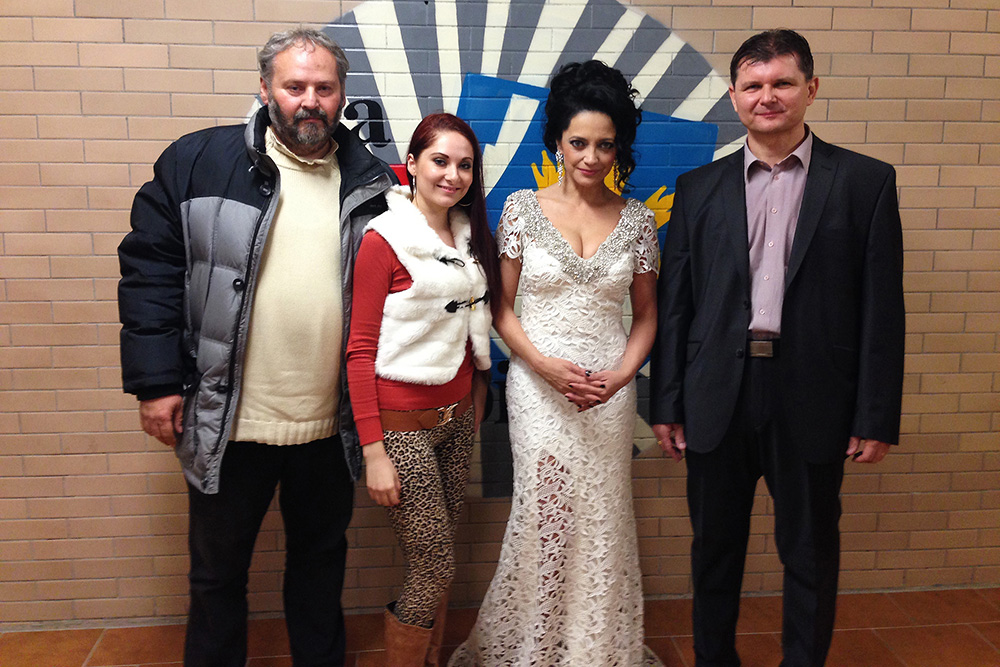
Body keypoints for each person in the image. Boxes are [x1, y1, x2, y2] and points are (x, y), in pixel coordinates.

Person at [117, 28, 395, 667]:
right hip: (228, 421)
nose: (310, 101)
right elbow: (150, 270)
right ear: (265, 89)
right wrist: (155, 382)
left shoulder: (373, 183)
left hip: (328, 425)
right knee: (217, 578)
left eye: (324, 87)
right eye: (295, 86)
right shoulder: (197, 162)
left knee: (320, 569)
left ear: (342, 94)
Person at [650, 29, 905, 667]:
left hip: (814, 396)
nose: (768, 97)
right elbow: (676, 305)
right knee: (714, 553)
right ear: (735, 96)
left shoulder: (866, 182)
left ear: (810, 89)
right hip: (717, 396)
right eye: (753, 85)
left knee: (811, 554)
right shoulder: (697, 187)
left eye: (782, 83)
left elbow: (882, 310)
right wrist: (666, 403)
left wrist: (875, 415)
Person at [449, 61, 663, 666]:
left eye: (605, 145)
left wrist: (621, 376)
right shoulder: (521, 210)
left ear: (619, 147)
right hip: (538, 389)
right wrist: (542, 365)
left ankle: (595, 649)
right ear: (557, 142)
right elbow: (500, 307)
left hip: (608, 394)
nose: (591, 157)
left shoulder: (638, 220)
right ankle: (535, 648)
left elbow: (647, 317)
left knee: (604, 517)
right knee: (545, 516)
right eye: (578, 143)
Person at [345, 112, 499, 666]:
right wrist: (374, 452)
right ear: (411, 164)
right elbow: (359, 352)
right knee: (434, 563)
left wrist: (475, 404)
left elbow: (470, 327)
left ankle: (429, 658)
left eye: (465, 165)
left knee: (439, 557)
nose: (453, 175)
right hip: (401, 430)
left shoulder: (468, 236)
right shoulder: (384, 240)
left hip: (456, 421)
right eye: (440, 161)